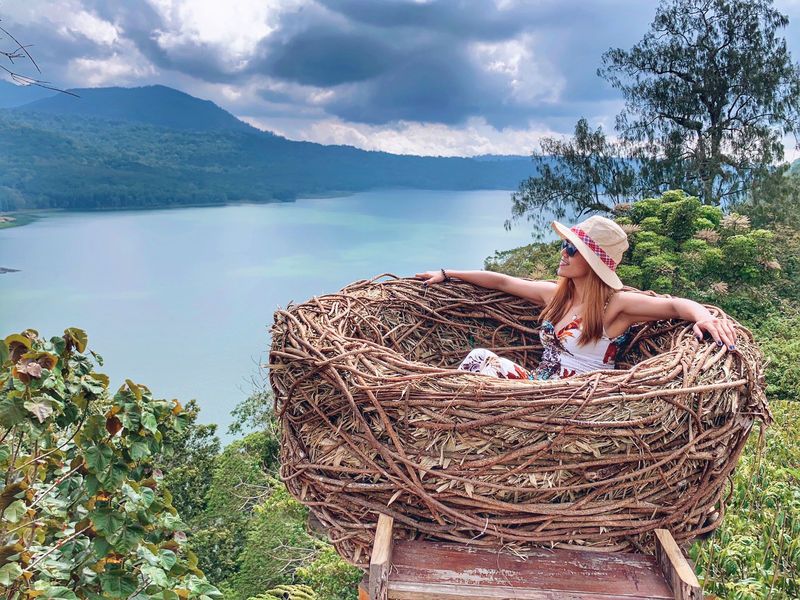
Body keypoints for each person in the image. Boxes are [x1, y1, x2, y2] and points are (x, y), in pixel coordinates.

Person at [415, 216, 738, 380]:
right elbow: (502, 281)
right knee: (478, 356)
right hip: (542, 386)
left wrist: (703, 317)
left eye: (573, 250)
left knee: (485, 371)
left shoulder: (616, 306)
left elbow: (673, 305)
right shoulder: (556, 297)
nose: (563, 253)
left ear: (593, 263)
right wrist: (447, 273)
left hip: (578, 399)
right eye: (566, 246)